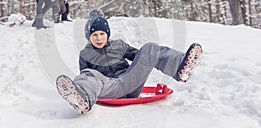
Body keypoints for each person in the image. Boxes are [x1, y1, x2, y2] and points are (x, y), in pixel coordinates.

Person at [56, 9, 203, 114]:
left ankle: (179, 68)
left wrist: (147, 57)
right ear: (89, 37)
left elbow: (140, 57)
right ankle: (83, 98)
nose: (99, 38)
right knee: (89, 74)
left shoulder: (119, 45)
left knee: (149, 48)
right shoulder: (85, 54)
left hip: (130, 82)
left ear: (107, 34)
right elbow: (86, 76)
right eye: (94, 35)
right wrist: (86, 85)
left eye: (102, 34)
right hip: (109, 87)